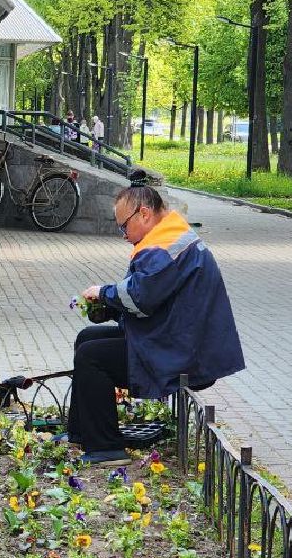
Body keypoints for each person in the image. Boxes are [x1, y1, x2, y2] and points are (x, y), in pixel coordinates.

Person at [68, 178, 244, 466]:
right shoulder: (170, 236)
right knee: (87, 338)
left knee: (91, 357)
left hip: (178, 351)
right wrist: (109, 306)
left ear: (144, 214)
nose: (123, 235)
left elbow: (142, 297)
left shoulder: (165, 246)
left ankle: (106, 448)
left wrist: (104, 293)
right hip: (173, 337)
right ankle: (81, 432)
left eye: (123, 226)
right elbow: (151, 298)